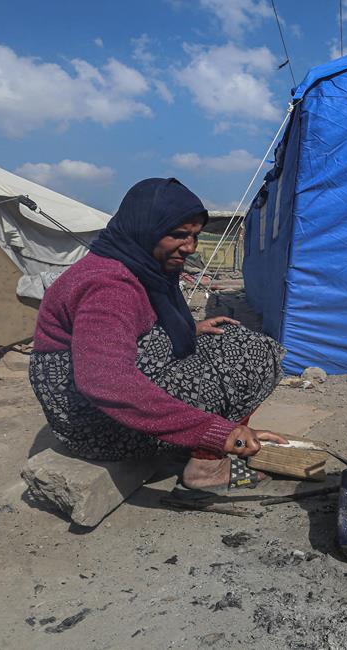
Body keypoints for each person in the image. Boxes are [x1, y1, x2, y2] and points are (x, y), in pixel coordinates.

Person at [30, 177, 287, 493]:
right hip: (95, 424)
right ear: (145, 229)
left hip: (99, 403)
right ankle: (207, 464)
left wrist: (188, 329)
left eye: (194, 236)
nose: (190, 247)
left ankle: (215, 441)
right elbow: (104, 381)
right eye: (179, 235)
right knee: (248, 359)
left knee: (239, 343)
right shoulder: (109, 286)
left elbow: (126, 331)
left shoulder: (136, 266)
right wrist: (217, 433)